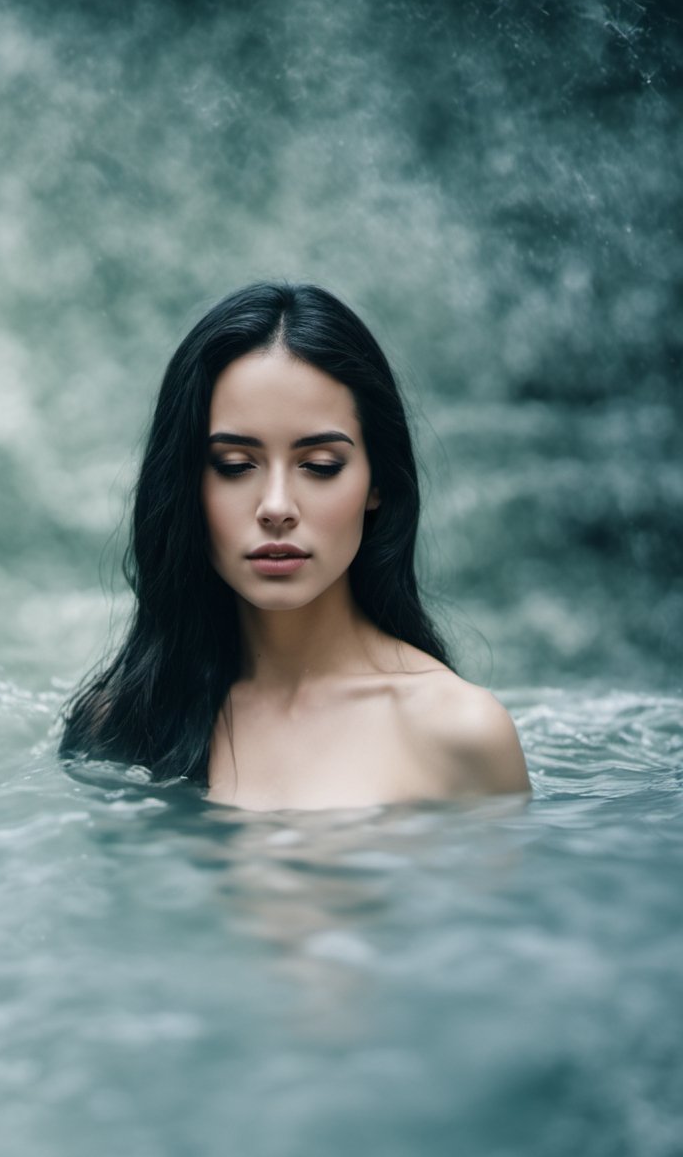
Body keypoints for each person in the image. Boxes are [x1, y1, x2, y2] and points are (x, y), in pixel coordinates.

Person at [58, 281, 530, 812]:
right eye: (234, 466)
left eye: (320, 466)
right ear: (186, 485)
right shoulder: (121, 724)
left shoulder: (460, 734)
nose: (276, 506)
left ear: (378, 484)